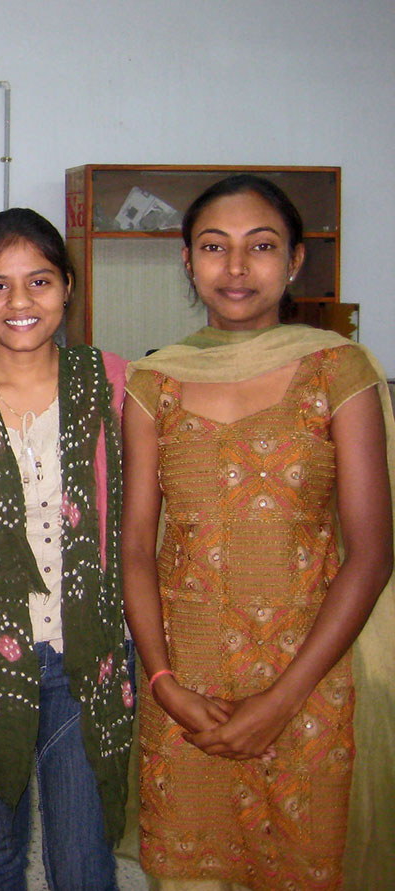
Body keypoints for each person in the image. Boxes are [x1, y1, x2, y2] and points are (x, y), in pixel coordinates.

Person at [121, 173, 395, 890]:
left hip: (309, 684)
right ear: (187, 261)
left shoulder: (340, 370)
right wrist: (163, 683)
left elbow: (370, 553)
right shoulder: (155, 383)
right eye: (214, 246)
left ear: (296, 259)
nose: (236, 267)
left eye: (261, 246)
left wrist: (281, 700)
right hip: (189, 690)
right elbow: (136, 548)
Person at [0, 209, 134, 891]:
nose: (20, 303)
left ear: (69, 286)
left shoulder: (112, 381)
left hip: (92, 654)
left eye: (40, 281)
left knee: (85, 860)